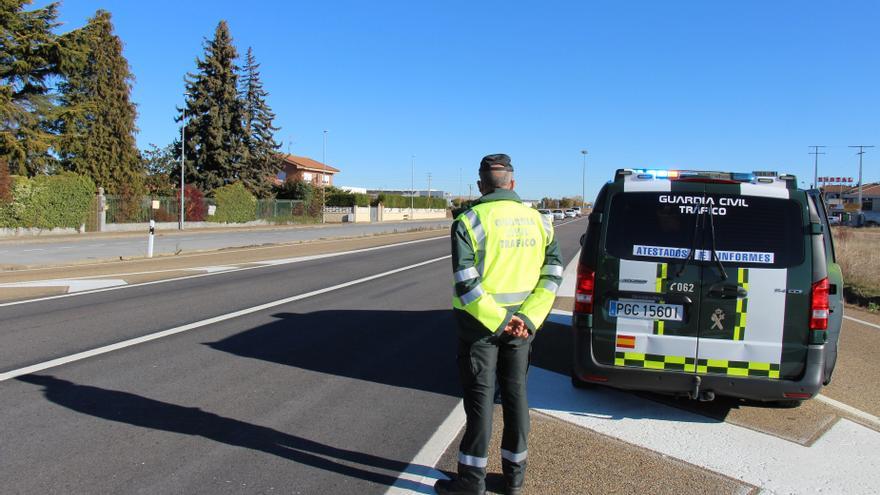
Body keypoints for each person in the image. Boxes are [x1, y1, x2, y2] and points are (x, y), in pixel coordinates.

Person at [436, 154, 563, 495]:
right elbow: (552, 274)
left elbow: (466, 281)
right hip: (522, 328)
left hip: (480, 328)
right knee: (516, 398)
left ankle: (471, 481)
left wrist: (501, 320)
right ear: (513, 183)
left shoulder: (469, 221)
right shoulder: (540, 221)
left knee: (480, 403)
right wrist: (527, 318)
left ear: (480, 185)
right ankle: (514, 479)